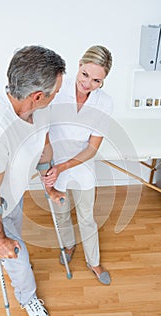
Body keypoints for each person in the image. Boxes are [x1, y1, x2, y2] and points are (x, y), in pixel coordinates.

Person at [0, 45, 66, 316]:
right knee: (16, 254)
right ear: (37, 95)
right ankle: (27, 295)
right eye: (55, 91)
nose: (57, 96)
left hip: (14, 192)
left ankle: (16, 261)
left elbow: (44, 144)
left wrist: (49, 183)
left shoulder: (41, 110)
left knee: (16, 237)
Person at [44, 45, 113, 285]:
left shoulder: (104, 103)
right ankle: (69, 244)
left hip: (82, 164)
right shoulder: (56, 91)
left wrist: (64, 167)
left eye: (96, 80)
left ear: (103, 81)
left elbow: (92, 148)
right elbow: (43, 131)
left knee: (87, 217)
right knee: (61, 214)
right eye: (85, 74)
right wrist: (47, 166)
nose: (87, 83)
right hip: (53, 164)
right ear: (80, 63)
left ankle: (93, 261)